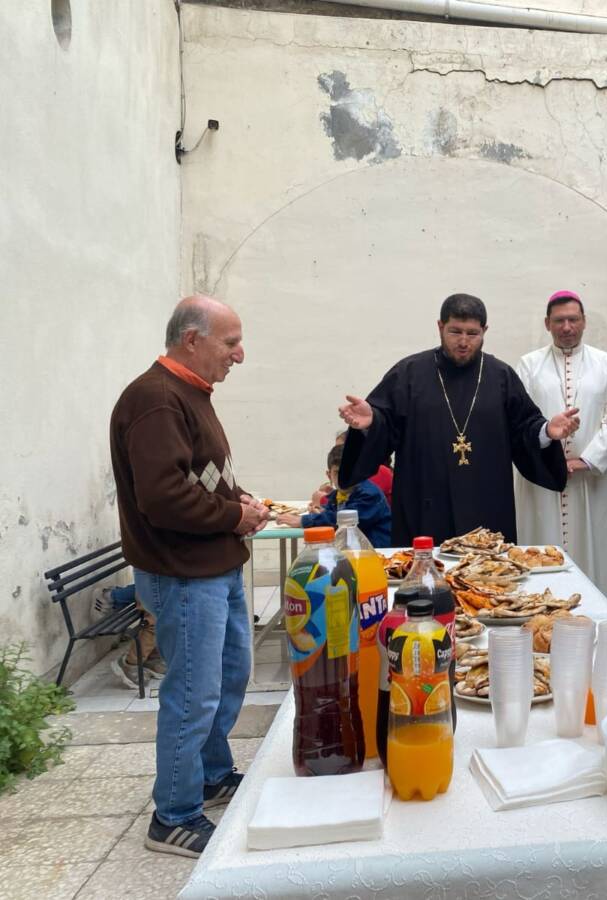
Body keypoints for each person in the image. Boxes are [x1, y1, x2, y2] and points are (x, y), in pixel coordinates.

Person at [110, 295, 267, 858]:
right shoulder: (155, 400)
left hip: (212, 566)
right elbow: (164, 498)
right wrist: (233, 516)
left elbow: (197, 477)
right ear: (192, 339)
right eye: (230, 343)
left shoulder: (190, 395)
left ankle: (210, 774)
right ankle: (173, 816)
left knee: (228, 675)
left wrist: (237, 498)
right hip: (182, 574)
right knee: (193, 693)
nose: (239, 355)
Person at [338, 294, 579, 544]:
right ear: (440, 327)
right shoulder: (409, 373)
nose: (463, 342)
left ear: (485, 330)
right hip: (425, 505)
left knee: (490, 580)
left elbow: (524, 428)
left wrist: (546, 431)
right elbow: (386, 425)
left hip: (487, 504)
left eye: (472, 334)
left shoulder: (500, 376)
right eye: (455, 332)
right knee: (425, 578)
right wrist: (372, 423)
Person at [515, 290, 607, 604]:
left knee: (596, 553)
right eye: (559, 320)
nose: (567, 327)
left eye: (573, 320)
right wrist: (550, 453)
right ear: (547, 324)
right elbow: (520, 419)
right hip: (542, 480)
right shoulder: (528, 365)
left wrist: (584, 461)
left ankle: (599, 617)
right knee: (542, 547)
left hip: (590, 482)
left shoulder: (606, 364)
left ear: (584, 322)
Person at [280, 444, 391, 546]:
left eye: (349, 472)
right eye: (337, 473)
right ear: (329, 476)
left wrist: (302, 520)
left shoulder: (369, 494)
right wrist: (320, 511)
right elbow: (330, 514)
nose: (344, 478)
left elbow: (342, 521)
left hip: (378, 555)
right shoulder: (336, 496)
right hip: (354, 552)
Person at [309, 430, 392, 512]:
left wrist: (323, 500)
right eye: (336, 449)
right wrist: (332, 495)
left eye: (342, 449)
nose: (337, 453)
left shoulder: (378, 471)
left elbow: (356, 509)